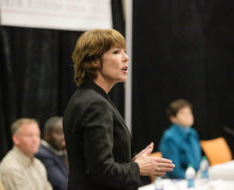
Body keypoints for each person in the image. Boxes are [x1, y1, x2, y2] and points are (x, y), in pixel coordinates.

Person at [63, 28, 175, 190]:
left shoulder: (85, 97)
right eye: (116, 52)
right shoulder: (95, 104)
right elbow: (103, 171)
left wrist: (132, 161)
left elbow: (95, 162)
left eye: (125, 51)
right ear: (95, 60)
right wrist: (137, 167)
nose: (126, 57)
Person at [0, 118, 52, 190]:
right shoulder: (10, 168)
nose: (35, 140)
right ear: (16, 139)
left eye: (37, 135)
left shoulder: (38, 164)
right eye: (29, 135)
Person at [158, 99, 201, 179]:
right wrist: (193, 179)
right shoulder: (170, 138)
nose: (188, 116)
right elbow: (174, 171)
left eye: (189, 112)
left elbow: (197, 161)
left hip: (195, 176)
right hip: (178, 181)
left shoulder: (193, 133)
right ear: (173, 118)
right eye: (183, 113)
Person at [35, 116, 68, 190]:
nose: (63, 137)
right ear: (47, 135)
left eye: (65, 133)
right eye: (59, 133)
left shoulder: (60, 150)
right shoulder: (41, 154)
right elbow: (62, 185)